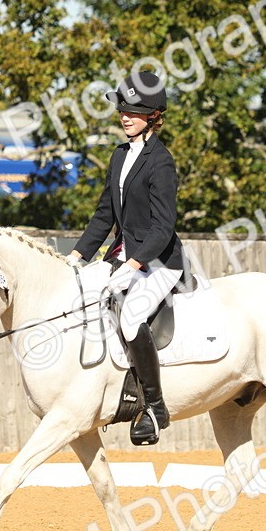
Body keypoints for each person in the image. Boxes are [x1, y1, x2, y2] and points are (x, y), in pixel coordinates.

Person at [69, 71, 185, 445]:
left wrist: (133, 266)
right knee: (81, 297)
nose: (124, 116)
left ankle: (154, 407)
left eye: (133, 111)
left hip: (160, 260)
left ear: (153, 116)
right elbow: (105, 214)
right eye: (122, 109)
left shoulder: (161, 162)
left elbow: (163, 227)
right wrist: (77, 255)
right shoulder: (119, 155)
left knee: (132, 316)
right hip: (122, 254)